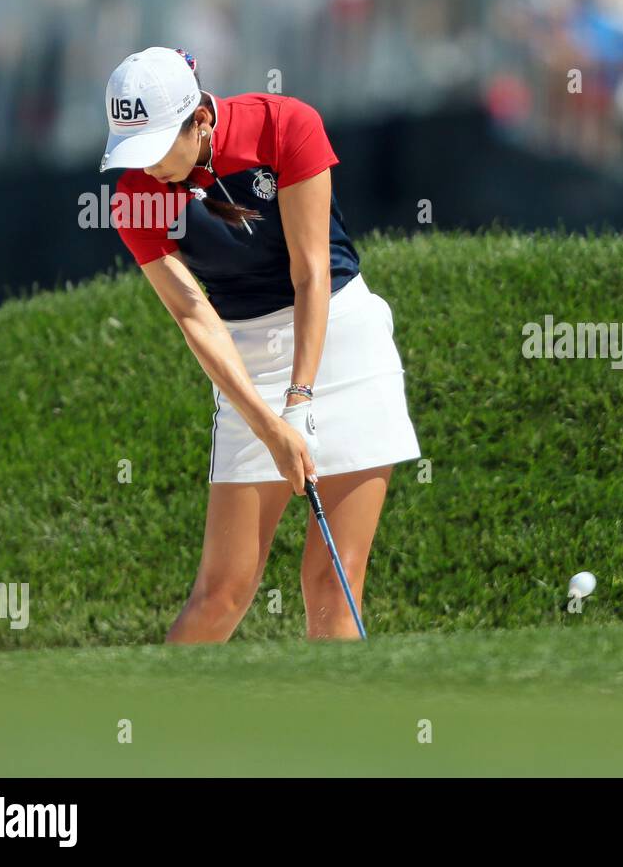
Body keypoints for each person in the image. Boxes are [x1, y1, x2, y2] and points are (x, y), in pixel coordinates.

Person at [101, 47, 420, 643]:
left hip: (340, 339)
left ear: (199, 120)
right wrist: (270, 423)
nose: (145, 169)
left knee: (333, 580)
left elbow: (311, 273)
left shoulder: (285, 125)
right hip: (244, 360)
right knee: (221, 592)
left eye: (155, 149)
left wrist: (300, 399)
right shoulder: (134, 197)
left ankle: (340, 732)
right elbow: (194, 316)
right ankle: (149, 727)